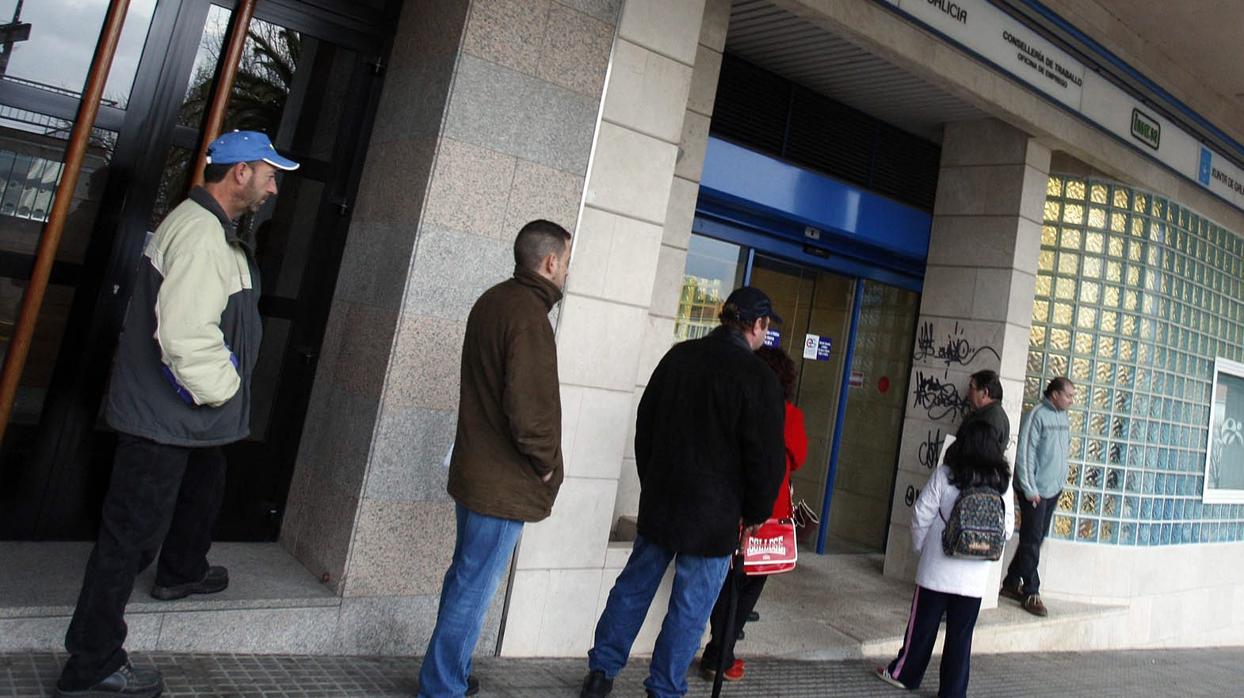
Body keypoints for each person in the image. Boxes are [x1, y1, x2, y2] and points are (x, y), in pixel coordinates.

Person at [56, 131, 299, 698]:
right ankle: (89, 665)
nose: (274, 186)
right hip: (170, 416)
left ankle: (182, 570)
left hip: (190, 420)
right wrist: (225, 389)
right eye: (269, 173)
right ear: (239, 172)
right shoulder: (198, 234)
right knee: (129, 541)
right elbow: (186, 337)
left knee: (202, 488)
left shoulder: (213, 230)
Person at [579, 287, 786, 698]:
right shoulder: (759, 378)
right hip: (716, 517)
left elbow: (646, 424)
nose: (766, 335)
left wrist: (653, 480)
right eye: (766, 326)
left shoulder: (679, 357)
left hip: (663, 503)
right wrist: (757, 511)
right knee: (691, 606)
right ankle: (664, 687)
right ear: (757, 324)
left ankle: (601, 672)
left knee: (634, 587)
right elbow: (765, 458)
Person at [416, 219, 572, 698]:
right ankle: (443, 686)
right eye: (566, 261)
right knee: (474, 586)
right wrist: (546, 463)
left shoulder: (494, 301)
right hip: (504, 482)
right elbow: (529, 408)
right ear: (549, 262)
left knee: (465, 576)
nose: (567, 271)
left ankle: (451, 674)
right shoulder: (528, 316)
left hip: (479, 472)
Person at [874, 420, 1015, 698]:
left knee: (921, 630)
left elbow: (921, 514)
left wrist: (921, 548)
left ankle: (905, 674)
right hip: (974, 579)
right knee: (961, 639)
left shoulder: (947, 474)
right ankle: (952, 692)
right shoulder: (1002, 483)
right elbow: (1007, 528)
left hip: (936, 570)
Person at [698, 344, 808, 683]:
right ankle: (720, 655)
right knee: (749, 583)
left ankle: (721, 651)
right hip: (768, 515)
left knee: (728, 580)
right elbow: (799, 458)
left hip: (731, 506)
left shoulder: (738, 405)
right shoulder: (789, 414)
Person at [1001, 376, 1076, 617]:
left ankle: (1012, 582)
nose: (1071, 400)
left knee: (1035, 538)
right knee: (1032, 539)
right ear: (1054, 394)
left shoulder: (1062, 416)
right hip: (1034, 491)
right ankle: (1031, 591)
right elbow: (1025, 453)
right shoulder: (1036, 415)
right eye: (1068, 395)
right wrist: (1030, 488)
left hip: (1052, 489)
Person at [959, 369, 1009, 453]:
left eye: (971, 388)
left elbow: (982, 454)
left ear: (985, 393)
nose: (968, 394)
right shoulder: (986, 413)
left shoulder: (992, 418)